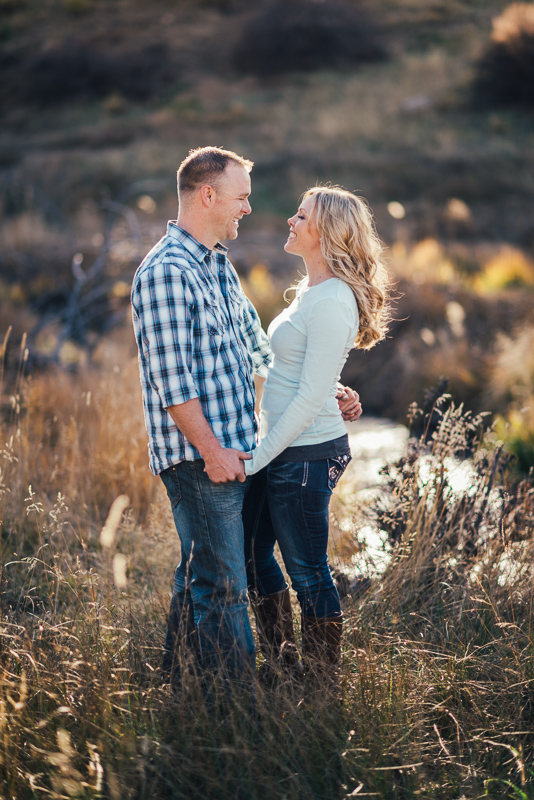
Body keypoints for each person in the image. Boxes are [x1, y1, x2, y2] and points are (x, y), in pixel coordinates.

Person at [131, 147, 361, 684]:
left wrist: (329, 389)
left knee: (202, 574)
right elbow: (173, 384)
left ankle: (178, 679)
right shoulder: (167, 272)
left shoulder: (216, 265)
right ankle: (235, 704)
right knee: (227, 582)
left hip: (239, 450)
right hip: (201, 455)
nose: (248, 210)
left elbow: (261, 356)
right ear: (207, 196)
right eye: (241, 198)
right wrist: (213, 453)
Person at [242, 185, 390, 677]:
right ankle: (283, 663)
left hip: (304, 452)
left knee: (306, 570)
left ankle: (322, 684)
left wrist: (255, 459)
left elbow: (307, 395)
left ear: (325, 230)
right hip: (281, 444)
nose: (290, 220)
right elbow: (304, 371)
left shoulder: (332, 299)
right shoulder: (311, 293)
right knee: (252, 554)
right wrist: (338, 388)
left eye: (300, 215)